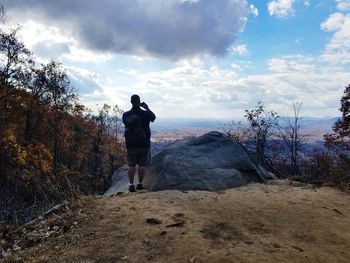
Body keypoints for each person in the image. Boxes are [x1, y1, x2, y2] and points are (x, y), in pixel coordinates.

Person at [122, 94, 156, 192]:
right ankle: (140, 184)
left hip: (130, 144)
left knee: (131, 165)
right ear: (139, 101)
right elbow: (153, 118)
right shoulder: (145, 114)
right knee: (142, 165)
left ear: (131, 102)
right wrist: (147, 108)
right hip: (144, 143)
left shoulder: (126, 115)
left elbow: (126, 125)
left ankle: (131, 185)